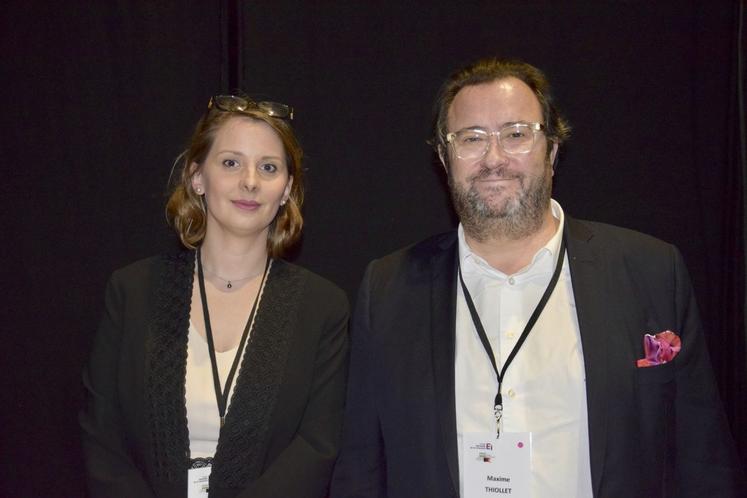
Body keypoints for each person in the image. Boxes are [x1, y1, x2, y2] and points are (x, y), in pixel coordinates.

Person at [330, 58, 743, 497]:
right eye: (471, 138)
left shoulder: (651, 271)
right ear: (443, 157)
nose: (494, 158)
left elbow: (704, 460)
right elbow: (361, 469)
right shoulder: (389, 289)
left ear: (552, 148)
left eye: (515, 134)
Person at [80, 94, 349, 497]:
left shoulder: (322, 307)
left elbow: (317, 447)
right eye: (230, 163)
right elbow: (102, 435)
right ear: (197, 177)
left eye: (269, 167)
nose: (250, 181)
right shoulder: (133, 291)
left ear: (287, 189)